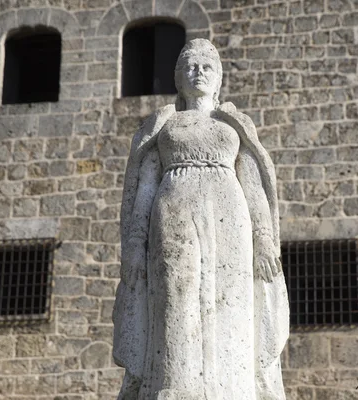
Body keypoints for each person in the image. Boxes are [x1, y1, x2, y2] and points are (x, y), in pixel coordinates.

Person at [113, 38, 289, 400]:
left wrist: (264, 236)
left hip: (230, 213)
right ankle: (175, 385)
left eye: (207, 66)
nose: (198, 71)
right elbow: (145, 184)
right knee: (175, 294)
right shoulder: (164, 123)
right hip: (174, 209)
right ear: (178, 77)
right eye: (190, 65)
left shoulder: (232, 122)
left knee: (231, 297)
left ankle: (234, 387)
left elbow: (253, 183)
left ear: (219, 77)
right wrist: (134, 241)